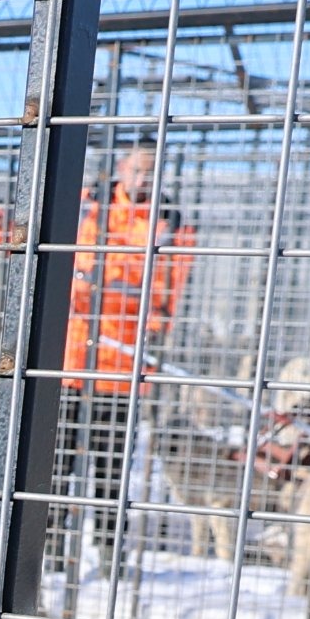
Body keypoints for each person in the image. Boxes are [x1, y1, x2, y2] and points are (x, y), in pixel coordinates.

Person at [62, 138, 194, 588]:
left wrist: (148, 324)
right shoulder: (85, 205)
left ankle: (109, 556)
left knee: (111, 470)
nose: (144, 179)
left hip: (123, 366)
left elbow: (168, 296)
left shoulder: (170, 223)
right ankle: (51, 552)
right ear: (121, 167)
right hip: (70, 359)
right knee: (55, 464)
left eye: (152, 172)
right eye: (138, 169)